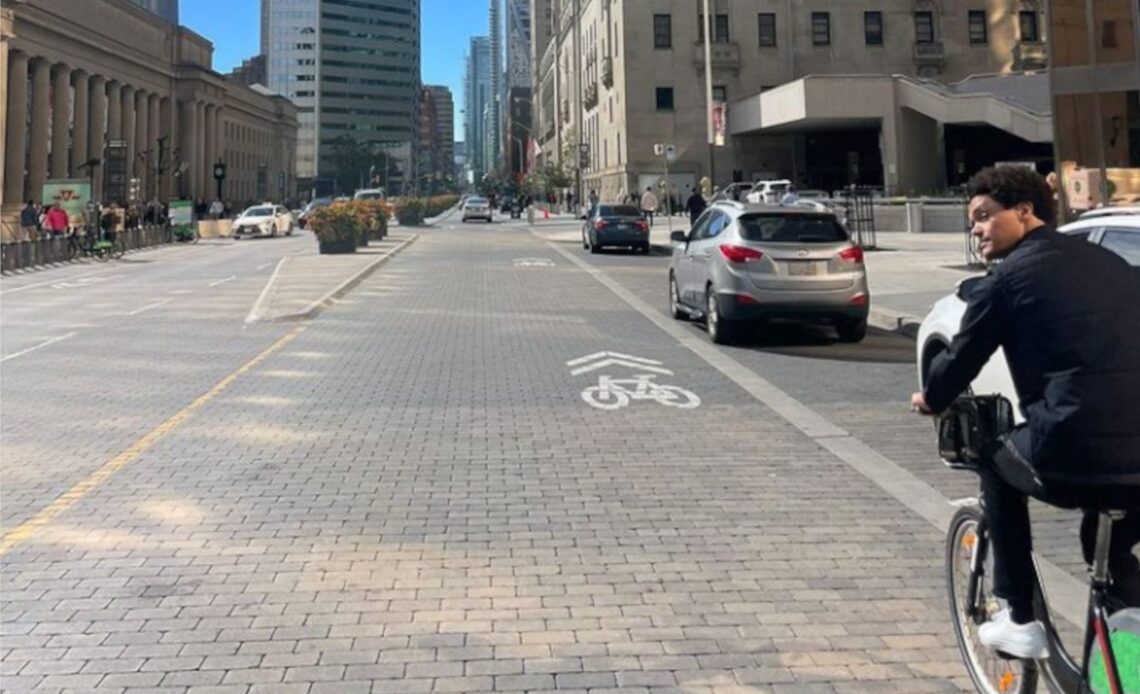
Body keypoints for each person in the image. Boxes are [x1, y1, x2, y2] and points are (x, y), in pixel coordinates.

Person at [911, 166, 1140, 659]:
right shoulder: (1111, 262)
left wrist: (931, 398)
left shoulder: (1007, 280)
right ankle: (1128, 621)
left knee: (995, 460)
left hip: (1072, 448)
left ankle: (1019, 618)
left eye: (984, 216)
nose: (976, 229)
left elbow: (959, 360)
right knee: (1110, 535)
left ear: (1024, 211)